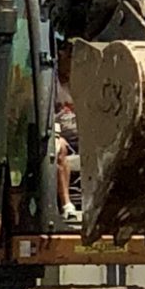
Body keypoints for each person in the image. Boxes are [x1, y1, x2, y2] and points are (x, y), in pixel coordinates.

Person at [55, 46, 81, 221]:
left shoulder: (82, 84)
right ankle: (67, 205)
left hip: (84, 137)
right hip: (58, 134)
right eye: (69, 57)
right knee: (59, 148)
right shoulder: (49, 85)